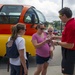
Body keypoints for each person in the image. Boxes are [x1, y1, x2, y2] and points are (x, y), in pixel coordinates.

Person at [52, 7, 75, 75]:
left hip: (69, 53)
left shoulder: (70, 26)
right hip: (69, 52)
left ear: (64, 15)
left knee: (66, 72)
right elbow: (67, 38)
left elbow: (70, 45)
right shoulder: (71, 23)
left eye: (60, 16)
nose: (60, 18)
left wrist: (56, 42)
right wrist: (56, 37)